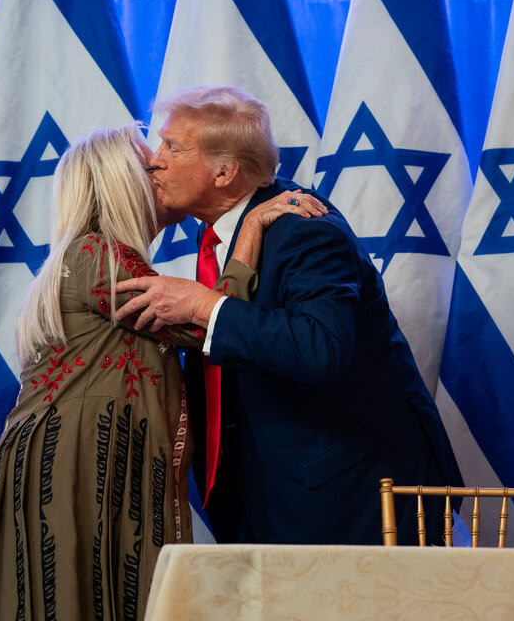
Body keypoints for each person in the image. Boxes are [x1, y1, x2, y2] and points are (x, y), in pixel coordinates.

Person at [0, 124, 326, 621]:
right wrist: (250, 231)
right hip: (72, 467)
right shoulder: (100, 254)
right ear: (122, 183)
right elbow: (207, 320)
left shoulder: (99, 258)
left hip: (86, 462)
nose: (162, 165)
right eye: (150, 162)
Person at [116, 86, 464, 546]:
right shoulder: (227, 231)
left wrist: (202, 305)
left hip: (351, 499)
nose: (153, 161)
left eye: (172, 148)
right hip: (261, 493)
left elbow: (320, 349)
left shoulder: (304, 227)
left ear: (225, 172)